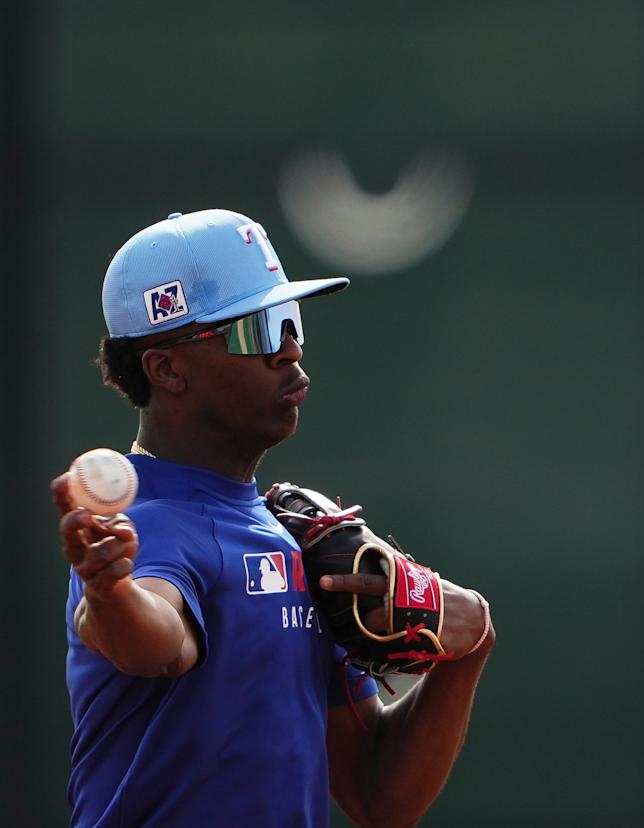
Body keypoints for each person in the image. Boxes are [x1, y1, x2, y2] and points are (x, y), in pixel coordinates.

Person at [52, 209, 495, 827]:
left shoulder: (296, 539)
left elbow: (379, 797)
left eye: (290, 321)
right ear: (167, 368)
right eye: (255, 329)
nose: (289, 349)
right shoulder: (147, 525)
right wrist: (109, 594)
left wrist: (467, 648)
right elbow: (156, 646)